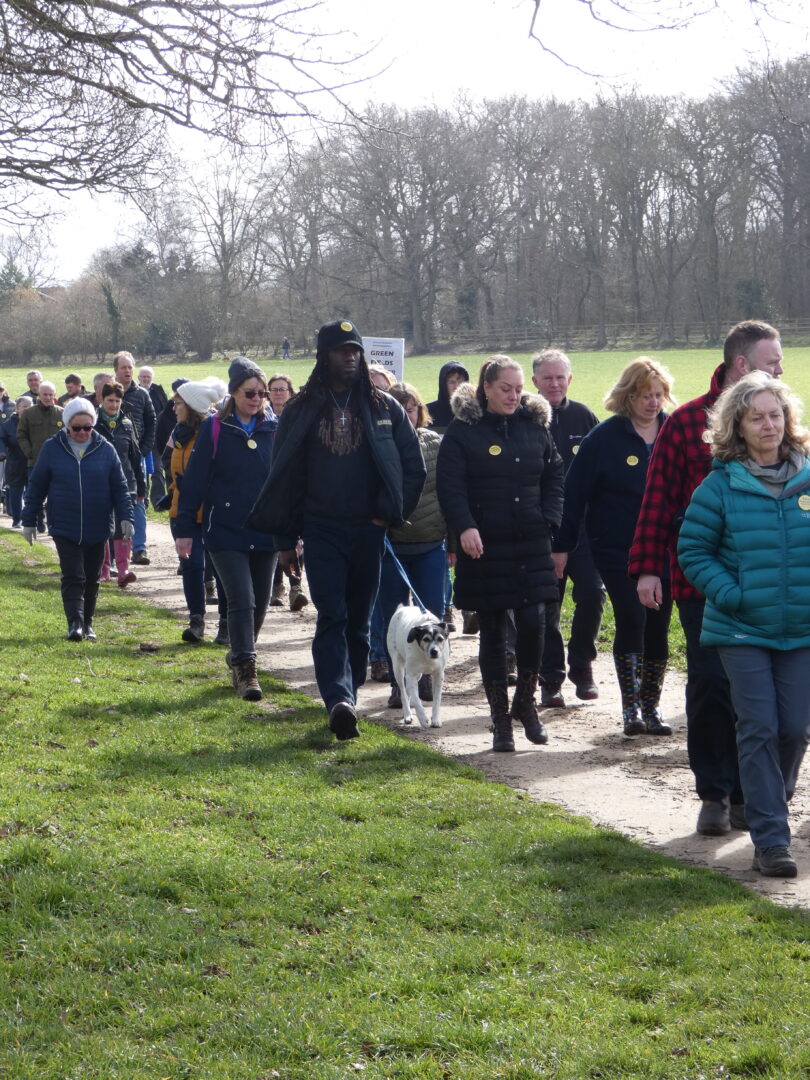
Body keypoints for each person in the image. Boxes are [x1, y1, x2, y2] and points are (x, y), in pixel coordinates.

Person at [629, 319, 784, 836]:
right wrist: (647, 567)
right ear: (742, 364)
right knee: (712, 684)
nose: (780, 370)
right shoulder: (686, 423)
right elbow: (658, 497)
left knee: (763, 696)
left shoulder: (780, 420)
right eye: (773, 361)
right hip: (702, 584)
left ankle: (750, 795)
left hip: (770, 585)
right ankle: (715, 793)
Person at [246, 318, 425, 741]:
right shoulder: (302, 409)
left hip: (368, 531)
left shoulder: (384, 408)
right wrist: (285, 540)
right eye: (342, 350)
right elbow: (283, 477)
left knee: (359, 621)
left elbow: (412, 468)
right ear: (323, 356)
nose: (350, 357)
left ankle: (350, 693)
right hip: (320, 529)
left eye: (355, 350)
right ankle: (338, 699)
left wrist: (388, 514)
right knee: (333, 614)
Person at [677, 373, 810, 879]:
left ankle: (767, 798)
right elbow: (693, 551)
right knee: (758, 727)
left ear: (787, 420)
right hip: (741, 630)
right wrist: (733, 595)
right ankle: (771, 840)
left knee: (794, 729)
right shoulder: (719, 486)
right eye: (757, 417)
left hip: (801, 627)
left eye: (775, 414)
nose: (768, 424)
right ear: (738, 425)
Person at [436, 355, 564, 751]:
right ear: (486, 388)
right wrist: (464, 526)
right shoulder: (463, 431)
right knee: (492, 631)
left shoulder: (535, 425)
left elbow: (554, 474)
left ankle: (525, 702)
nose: (513, 396)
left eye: (518, 389)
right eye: (505, 389)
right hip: (485, 545)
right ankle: (500, 719)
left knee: (534, 622)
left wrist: (549, 518)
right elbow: (450, 485)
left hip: (531, 541)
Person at [554, 357, 675, 737]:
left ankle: (652, 706)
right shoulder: (603, 439)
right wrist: (562, 545)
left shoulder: (673, 434)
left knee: (658, 624)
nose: (652, 403)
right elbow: (574, 494)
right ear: (628, 396)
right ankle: (631, 708)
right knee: (632, 616)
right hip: (615, 548)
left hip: (666, 548)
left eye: (658, 395)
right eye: (644, 395)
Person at [175, 358, 278, 700]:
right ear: (233, 392)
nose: (257, 399)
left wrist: (293, 530)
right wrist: (185, 529)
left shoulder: (274, 429)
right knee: (241, 599)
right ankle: (247, 670)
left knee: (259, 604)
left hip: (266, 530)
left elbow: (287, 482)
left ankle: (238, 655)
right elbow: (194, 482)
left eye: (262, 393)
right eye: (250, 393)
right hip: (225, 531)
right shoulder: (215, 428)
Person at [21, 398, 133, 641]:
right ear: (67, 426)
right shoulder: (52, 449)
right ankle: (75, 623)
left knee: (92, 578)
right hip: (64, 524)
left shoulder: (105, 450)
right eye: (77, 428)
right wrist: (29, 519)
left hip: (98, 524)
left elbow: (120, 488)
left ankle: (88, 622)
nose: (82, 432)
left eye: (87, 427)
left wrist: (126, 517)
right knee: (73, 576)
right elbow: (37, 486)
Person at [531, 348, 604, 706]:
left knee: (592, 594)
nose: (555, 383)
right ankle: (551, 678)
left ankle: (582, 664)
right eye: (547, 378)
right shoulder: (525, 419)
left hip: (583, 531)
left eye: (560, 377)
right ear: (535, 382)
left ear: (570, 379)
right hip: (541, 531)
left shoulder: (584, 417)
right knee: (548, 607)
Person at [379, 382, 448, 709]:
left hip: (430, 544)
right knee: (394, 621)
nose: (406, 414)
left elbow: (448, 492)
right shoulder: (377, 444)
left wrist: (452, 541)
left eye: (411, 408)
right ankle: (399, 684)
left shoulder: (435, 443)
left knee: (432, 616)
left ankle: (427, 679)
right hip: (390, 547)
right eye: (399, 408)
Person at [165, 378, 228, 643]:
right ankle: (196, 622)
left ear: (191, 406)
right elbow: (170, 463)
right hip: (184, 511)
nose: (174, 408)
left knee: (221, 569)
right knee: (191, 565)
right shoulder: (179, 433)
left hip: (212, 511)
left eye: (178, 403)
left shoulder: (215, 433)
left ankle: (226, 624)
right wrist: (172, 490)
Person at [94, 382, 145, 588]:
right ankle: (104, 569)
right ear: (102, 400)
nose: (114, 405)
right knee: (104, 526)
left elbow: (135, 456)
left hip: (125, 483)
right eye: (110, 400)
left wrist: (141, 486)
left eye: (117, 401)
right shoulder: (93, 424)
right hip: (100, 483)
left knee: (124, 525)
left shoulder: (127, 424)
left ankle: (123, 570)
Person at [366, 363, 399, 682]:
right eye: (373, 387)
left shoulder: (397, 424)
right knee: (375, 594)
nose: (379, 393)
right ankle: (377, 654)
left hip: (402, 524)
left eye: (384, 388)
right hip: (370, 525)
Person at [265, 373, 308, 612]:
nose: (279, 393)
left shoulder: (299, 417)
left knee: (296, 541)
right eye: (274, 389)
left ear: (291, 393)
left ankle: (295, 586)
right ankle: (276, 586)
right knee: (275, 539)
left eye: (283, 389)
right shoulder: (263, 417)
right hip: (270, 483)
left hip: (293, 484)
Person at [113, 351, 156, 566]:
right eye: (123, 367)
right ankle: (116, 553)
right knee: (114, 502)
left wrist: (144, 449)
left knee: (139, 501)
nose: (127, 371)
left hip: (137, 457)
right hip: (114, 457)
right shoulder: (110, 392)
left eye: (130, 367)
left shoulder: (142, 395)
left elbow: (151, 422)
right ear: (116, 370)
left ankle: (139, 548)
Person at [17, 380, 64, 532]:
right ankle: (38, 520)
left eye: (50, 394)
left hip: (57, 463)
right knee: (35, 494)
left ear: (54, 395)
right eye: (45, 394)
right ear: (39, 394)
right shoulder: (29, 413)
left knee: (55, 495)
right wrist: (29, 452)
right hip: (35, 462)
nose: (48, 397)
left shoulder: (62, 413)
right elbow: (21, 435)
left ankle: (53, 523)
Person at [0, 396, 33, 526]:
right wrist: (2, 452)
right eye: (25, 407)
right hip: (15, 462)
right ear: (17, 409)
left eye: (30, 406)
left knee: (32, 492)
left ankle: (31, 519)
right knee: (16, 492)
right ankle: (17, 519)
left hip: (32, 461)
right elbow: (1, 439)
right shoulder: (7, 425)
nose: (28, 409)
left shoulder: (36, 424)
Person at [427, 361, 470, 435]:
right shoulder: (428, 412)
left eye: (460, 382)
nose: (457, 386)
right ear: (443, 385)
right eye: (452, 382)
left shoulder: (474, 412)